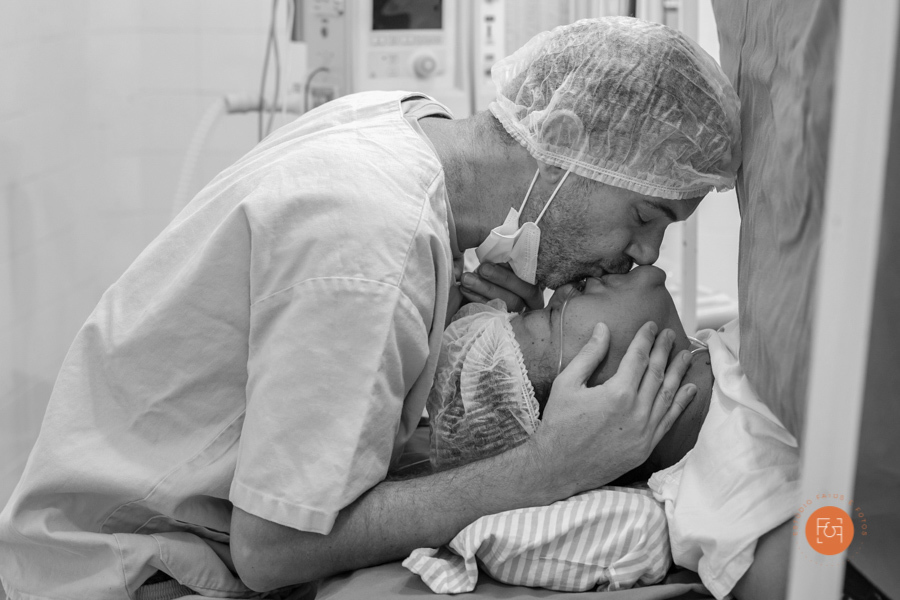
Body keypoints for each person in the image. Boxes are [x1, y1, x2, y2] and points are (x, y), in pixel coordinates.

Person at [0, 17, 741, 600]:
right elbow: (272, 550)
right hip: (124, 577)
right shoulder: (372, 246)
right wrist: (545, 469)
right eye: (647, 217)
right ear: (564, 138)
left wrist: (446, 309)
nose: (644, 257)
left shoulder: (403, 126)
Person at [421, 266, 799, 600]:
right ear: (588, 411)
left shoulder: (729, 347)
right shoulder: (732, 504)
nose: (565, 289)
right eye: (552, 315)